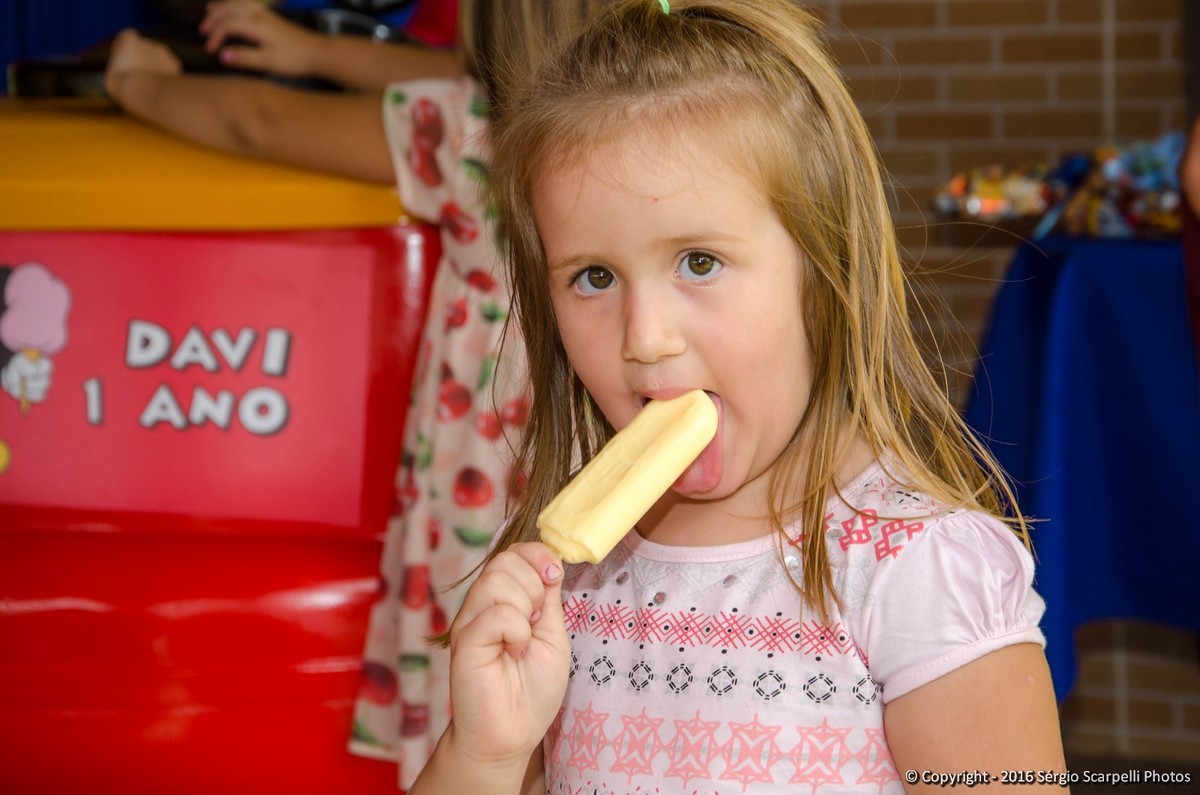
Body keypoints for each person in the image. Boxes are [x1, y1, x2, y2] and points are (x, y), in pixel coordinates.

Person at [411, 0, 1067, 792]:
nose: (645, 336)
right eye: (594, 276)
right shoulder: (563, 583)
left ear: (822, 273)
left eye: (699, 262)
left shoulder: (916, 574)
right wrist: (484, 753)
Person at [106, 1, 602, 790]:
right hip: (587, 445)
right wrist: (311, 50)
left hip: (486, 472)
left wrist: (137, 85)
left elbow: (258, 124)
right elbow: (445, 71)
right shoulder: (620, 124)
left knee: (487, 654)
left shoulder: (468, 127)